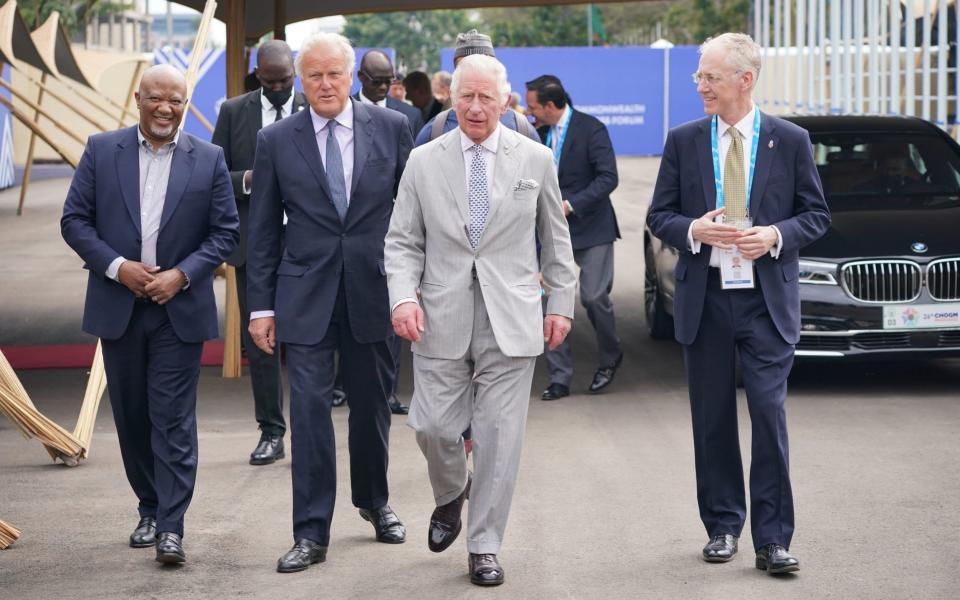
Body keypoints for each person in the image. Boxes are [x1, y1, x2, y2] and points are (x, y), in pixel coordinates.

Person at [385, 54, 576, 587]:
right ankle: (451, 493)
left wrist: (560, 303)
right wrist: (403, 298)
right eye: (465, 96)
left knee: (498, 437)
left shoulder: (535, 159)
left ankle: (484, 544)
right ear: (450, 98)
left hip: (511, 317)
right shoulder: (423, 161)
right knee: (433, 427)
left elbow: (556, 242)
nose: (474, 107)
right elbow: (401, 241)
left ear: (505, 101)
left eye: (485, 98)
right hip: (438, 315)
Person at [646, 33, 830, 575]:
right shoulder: (682, 141)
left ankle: (773, 541)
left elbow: (815, 215)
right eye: (699, 77)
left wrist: (774, 235)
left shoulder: (789, 140)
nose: (700, 85)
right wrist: (694, 230)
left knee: (769, 418)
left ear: (744, 80)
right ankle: (723, 526)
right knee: (713, 419)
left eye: (709, 76)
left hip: (766, 303)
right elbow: (659, 216)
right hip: (706, 301)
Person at [245, 32, 413, 574]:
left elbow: (411, 217)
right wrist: (261, 308)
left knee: (371, 409)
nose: (324, 84)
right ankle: (310, 532)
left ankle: (374, 500)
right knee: (312, 414)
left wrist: (414, 290)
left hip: (375, 290)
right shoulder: (276, 139)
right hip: (304, 295)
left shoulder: (391, 128)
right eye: (312, 75)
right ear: (300, 79)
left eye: (333, 74)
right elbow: (264, 230)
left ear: (351, 77)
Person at [61, 64, 239, 565]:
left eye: (176, 101)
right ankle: (149, 505)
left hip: (177, 311)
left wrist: (180, 275)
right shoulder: (101, 150)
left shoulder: (209, 159)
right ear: (138, 99)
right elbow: (74, 221)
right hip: (118, 308)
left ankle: (171, 528)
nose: (166, 108)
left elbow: (225, 233)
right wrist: (119, 269)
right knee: (133, 417)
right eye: (157, 98)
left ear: (185, 104)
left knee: (173, 419)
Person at [212, 40, 307, 467]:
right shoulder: (234, 112)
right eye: (268, 83)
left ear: (295, 73)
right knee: (262, 343)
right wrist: (250, 178)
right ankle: (271, 431)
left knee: (309, 339)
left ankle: (309, 426)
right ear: (257, 77)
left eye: (284, 81)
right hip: (254, 247)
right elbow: (214, 175)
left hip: (308, 246)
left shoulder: (315, 106)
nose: (277, 90)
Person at [525, 75, 622, 400]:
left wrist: (571, 204)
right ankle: (559, 378)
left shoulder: (591, 129)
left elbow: (609, 177)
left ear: (551, 106)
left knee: (594, 297)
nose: (529, 111)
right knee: (550, 301)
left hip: (592, 227)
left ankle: (611, 356)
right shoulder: (535, 134)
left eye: (534, 106)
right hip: (551, 233)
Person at [414, 29, 539, 147]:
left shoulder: (522, 128)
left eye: (483, 66)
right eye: (466, 68)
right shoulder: (435, 130)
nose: (475, 109)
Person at [355, 49, 423, 139]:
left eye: (388, 81)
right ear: (361, 76)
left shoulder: (411, 115)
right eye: (377, 81)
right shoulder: (344, 111)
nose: (383, 87)